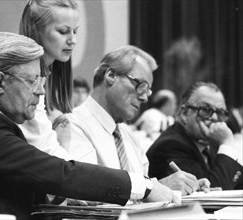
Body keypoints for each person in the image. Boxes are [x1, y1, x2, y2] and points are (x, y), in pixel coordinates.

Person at [0, 32, 179, 220]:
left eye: (42, 81)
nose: (40, 91)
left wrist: (60, 197)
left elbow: (31, 184)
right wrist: (143, 186)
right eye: (33, 81)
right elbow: (62, 173)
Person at [55, 45, 210, 196]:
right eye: (140, 85)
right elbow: (83, 193)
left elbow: (141, 195)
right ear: (111, 76)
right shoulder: (72, 126)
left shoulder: (129, 135)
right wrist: (154, 188)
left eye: (148, 91)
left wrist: (170, 188)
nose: (144, 97)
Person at [0, 0, 79, 160]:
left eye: (75, 31)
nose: (73, 40)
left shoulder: (38, 76)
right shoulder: (14, 74)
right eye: (63, 31)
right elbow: (48, 150)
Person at [147, 81, 243, 189]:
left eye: (220, 112)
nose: (215, 118)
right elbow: (211, 197)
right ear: (184, 114)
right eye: (206, 110)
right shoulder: (171, 145)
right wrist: (227, 144)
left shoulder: (211, 143)